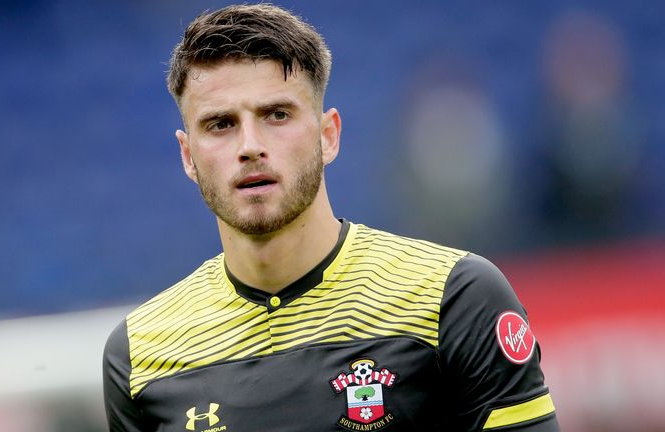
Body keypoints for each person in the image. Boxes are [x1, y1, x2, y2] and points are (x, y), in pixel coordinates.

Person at [103, 4, 559, 431]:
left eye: (276, 114)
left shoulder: (453, 298)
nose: (250, 146)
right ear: (187, 155)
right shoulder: (140, 354)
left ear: (328, 136)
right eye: (220, 124)